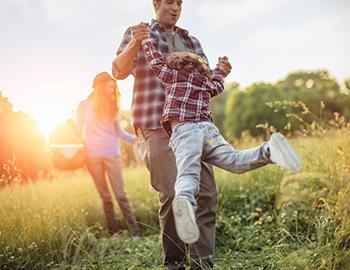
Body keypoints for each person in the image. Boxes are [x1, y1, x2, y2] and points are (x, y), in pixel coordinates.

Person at [140, 38, 302, 244]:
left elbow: (155, 63)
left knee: (188, 172)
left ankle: (185, 202)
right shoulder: (205, 82)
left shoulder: (172, 75)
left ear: (174, 66)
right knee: (234, 161)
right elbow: (218, 83)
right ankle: (268, 150)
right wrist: (221, 69)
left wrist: (146, 42)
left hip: (185, 131)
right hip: (208, 131)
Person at [112, 1, 226, 269]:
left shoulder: (191, 40)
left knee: (206, 195)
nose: (174, 8)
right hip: (155, 124)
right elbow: (118, 71)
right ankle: (174, 263)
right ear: (156, 4)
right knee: (174, 195)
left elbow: (206, 84)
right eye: (169, 2)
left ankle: (202, 264)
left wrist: (221, 72)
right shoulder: (138, 32)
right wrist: (134, 44)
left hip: (193, 127)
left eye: (179, 3)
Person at [75, 72, 140, 237]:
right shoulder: (83, 106)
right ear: (99, 87)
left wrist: (137, 139)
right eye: (109, 87)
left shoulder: (113, 106)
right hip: (92, 157)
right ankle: (113, 232)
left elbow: (119, 132)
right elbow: (77, 130)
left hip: (112, 155)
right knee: (105, 197)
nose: (112, 91)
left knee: (120, 195)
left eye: (113, 87)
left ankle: (135, 233)